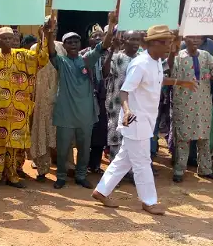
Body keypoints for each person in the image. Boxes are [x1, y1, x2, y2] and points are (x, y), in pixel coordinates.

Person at [92, 25, 197, 215]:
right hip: (135, 121)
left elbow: (156, 81)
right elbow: (125, 90)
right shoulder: (140, 64)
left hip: (147, 120)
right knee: (142, 162)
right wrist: (126, 111)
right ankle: (149, 201)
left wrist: (180, 82)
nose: (169, 47)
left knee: (124, 160)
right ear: (153, 43)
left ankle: (101, 191)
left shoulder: (155, 62)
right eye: (166, 43)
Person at [0, 24, 51, 189]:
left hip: (18, 108)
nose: (8, 41)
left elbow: (42, 58)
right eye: (4, 38)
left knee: (14, 145)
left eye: (11, 38)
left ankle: (12, 176)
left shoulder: (23, 56)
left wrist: (42, 35)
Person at [49, 12, 116, 189]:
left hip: (85, 114)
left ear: (81, 44)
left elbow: (104, 45)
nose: (73, 44)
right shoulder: (61, 62)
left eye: (76, 42)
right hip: (65, 114)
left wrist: (110, 25)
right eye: (69, 42)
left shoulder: (86, 59)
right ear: (63, 46)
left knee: (84, 148)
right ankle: (61, 176)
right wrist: (49, 32)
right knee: (63, 149)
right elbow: (49, 51)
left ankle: (80, 176)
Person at [168, 35, 213, 182]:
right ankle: (179, 170)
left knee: (204, 138)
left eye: (198, 38)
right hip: (184, 104)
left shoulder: (206, 56)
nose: (195, 40)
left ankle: (205, 169)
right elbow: (170, 70)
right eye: (191, 37)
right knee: (183, 138)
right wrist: (172, 51)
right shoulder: (179, 57)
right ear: (185, 39)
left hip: (203, 104)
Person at [30, 15, 69, 181]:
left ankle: (64, 166)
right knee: (41, 130)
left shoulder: (61, 48)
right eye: (48, 25)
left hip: (57, 94)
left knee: (60, 131)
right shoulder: (34, 48)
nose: (52, 28)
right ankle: (42, 167)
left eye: (55, 26)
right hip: (39, 96)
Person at [103, 30, 144, 158]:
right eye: (132, 39)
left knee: (134, 139)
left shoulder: (142, 59)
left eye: (138, 40)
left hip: (137, 105)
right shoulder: (117, 58)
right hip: (117, 104)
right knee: (116, 137)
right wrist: (111, 51)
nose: (135, 43)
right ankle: (116, 170)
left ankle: (132, 170)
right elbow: (104, 73)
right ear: (124, 41)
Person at [82, 23, 108, 174]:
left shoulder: (109, 54)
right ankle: (83, 165)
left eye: (100, 35)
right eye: (94, 36)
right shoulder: (82, 54)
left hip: (103, 98)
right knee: (86, 133)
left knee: (100, 132)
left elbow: (106, 74)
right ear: (89, 39)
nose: (97, 38)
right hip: (86, 98)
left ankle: (95, 165)